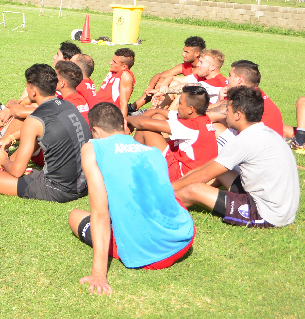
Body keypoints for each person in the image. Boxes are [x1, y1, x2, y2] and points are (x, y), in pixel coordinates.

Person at [68, 103, 195, 295]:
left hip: (150, 255)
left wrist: (99, 273)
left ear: (95, 131)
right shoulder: (153, 152)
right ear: (125, 125)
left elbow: (100, 213)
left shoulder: (92, 148)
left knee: (75, 216)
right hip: (182, 239)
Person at [173, 86, 300, 228]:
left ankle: (157, 203)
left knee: (194, 190)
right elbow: (211, 165)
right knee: (222, 170)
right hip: (283, 209)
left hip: (267, 214)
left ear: (238, 115)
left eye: (227, 109)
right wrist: (181, 181)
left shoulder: (244, 140)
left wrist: (168, 188)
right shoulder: (265, 132)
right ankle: (177, 193)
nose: (225, 114)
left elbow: (203, 175)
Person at [0, 64, 89, 203]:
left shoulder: (34, 120)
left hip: (60, 190)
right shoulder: (68, 105)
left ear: (33, 91)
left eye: (27, 86)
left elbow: (17, 171)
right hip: (85, 184)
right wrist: (11, 137)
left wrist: (3, 160)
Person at [128, 85, 217, 182]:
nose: (178, 106)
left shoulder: (191, 126)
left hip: (180, 178)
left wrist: (124, 120)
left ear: (190, 109)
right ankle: (135, 164)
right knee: (158, 117)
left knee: (146, 129)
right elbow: (160, 112)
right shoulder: (203, 119)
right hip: (190, 169)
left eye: (180, 103)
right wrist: (155, 110)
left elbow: (141, 123)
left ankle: (128, 165)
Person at [207, 60, 283, 139]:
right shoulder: (254, 94)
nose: (227, 78)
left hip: (255, 146)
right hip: (268, 144)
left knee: (209, 125)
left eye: (230, 75)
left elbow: (206, 116)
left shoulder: (245, 97)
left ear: (239, 79)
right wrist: (220, 101)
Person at [131, 36, 206, 112]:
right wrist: (150, 88)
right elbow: (159, 75)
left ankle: (151, 112)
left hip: (194, 101)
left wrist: (158, 91)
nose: (183, 54)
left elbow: (186, 87)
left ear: (197, 54)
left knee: (175, 86)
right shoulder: (185, 66)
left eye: (186, 52)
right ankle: (134, 108)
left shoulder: (201, 70)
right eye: (184, 51)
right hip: (180, 93)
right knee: (161, 81)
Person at [149, 49, 227, 108]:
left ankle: (164, 118)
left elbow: (184, 88)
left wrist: (162, 92)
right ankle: (157, 112)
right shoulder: (201, 77)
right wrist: (163, 87)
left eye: (201, 62)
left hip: (208, 119)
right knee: (175, 84)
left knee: (184, 96)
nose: (198, 65)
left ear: (212, 67)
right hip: (199, 112)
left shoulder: (218, 82)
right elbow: (172, 78)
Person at [95, 48, 136, 118]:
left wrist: (122, 123)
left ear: (124, 67)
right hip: (96, 107)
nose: (110, 63)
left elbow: (123, 103)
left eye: (114, 62)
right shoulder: (114, 72)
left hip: (106, 114)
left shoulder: (125, 75)